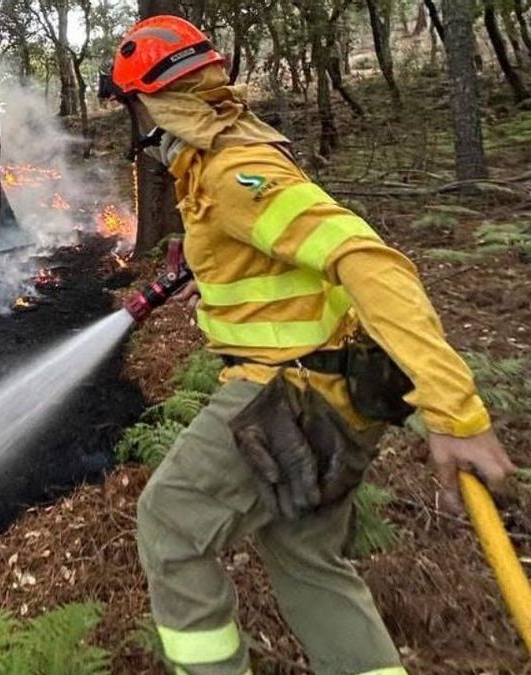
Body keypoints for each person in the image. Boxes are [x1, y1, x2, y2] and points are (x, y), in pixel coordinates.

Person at [108, 15, 518, 675]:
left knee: (171, 524)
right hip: (333, 392)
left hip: (293, 395)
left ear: (149, 104)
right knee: (307, 559)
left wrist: (455, 412)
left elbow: (370, 263)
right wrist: (217, 283)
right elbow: (282, 264)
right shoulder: (236, 149)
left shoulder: (232, 169)